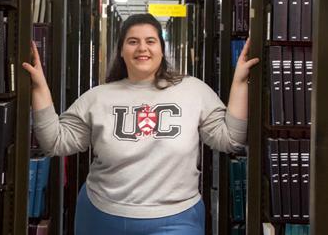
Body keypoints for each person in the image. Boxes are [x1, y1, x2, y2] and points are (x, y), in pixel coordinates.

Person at [22, 13, 259, 235]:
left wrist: (240, 83)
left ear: (162, 49)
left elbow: (229, 139)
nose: (142, 48)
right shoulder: (98, 97)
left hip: (176, 219)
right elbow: (55, 142)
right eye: (133, 41)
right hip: (100, 215)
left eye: (150, 41)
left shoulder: (193, 90)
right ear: (121, 51)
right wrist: (39, 87)